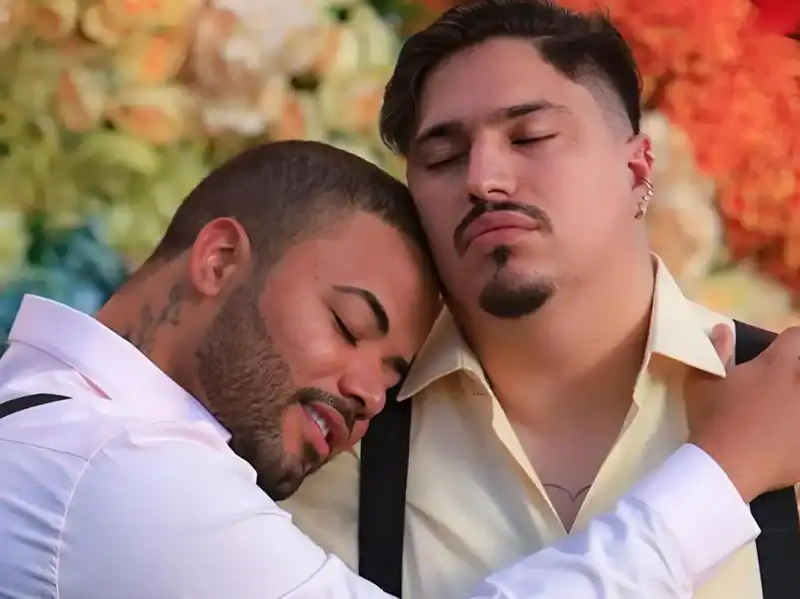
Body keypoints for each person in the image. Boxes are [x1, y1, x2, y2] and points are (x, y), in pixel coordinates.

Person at [0, 139, 769, 599]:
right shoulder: (112, 466)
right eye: (347, 325)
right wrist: (724, 471)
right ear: (221, 258)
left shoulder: (51, 424)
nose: (368, 393)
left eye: (394, 375)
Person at [280, 2, 800, 599]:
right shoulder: (340, 437)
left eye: (531, 137)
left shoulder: (784, 396)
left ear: (636, 169)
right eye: (444, 157)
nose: (483, 178)